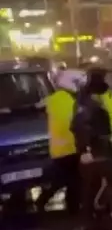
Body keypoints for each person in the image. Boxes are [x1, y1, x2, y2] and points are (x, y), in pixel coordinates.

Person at [71, 68, 112, 230]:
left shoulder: (92, 100)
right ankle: (99, 223)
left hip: (101, 146)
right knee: (101, 186)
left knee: (102, 186)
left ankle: (101, 222)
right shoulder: (87, 103)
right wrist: (85, 149)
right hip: (96, 148)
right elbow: (80, 127)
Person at [38, 69, 85, 214]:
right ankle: (72, 207)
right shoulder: (73, 102)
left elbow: (39, 110)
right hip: (71, 147)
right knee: (73, 179)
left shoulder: (52, 100)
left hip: (58, 149)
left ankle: (46, 200)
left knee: (66, 179)